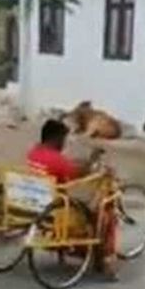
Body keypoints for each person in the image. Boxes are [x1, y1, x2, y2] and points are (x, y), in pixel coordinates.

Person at [26, 119, 119, 280]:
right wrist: (91, 160)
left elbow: (66, 167)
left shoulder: (34, 153)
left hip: (34, 202)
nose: (64, 143)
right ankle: (104, 260)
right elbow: (78, 173)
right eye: (63, 139)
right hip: (58, 211)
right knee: (104, 212)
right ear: (55, 138)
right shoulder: (57, 160)